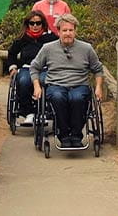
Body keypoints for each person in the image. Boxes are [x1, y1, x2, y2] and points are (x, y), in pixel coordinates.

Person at [30, 13, 103, 148]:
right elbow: (34, 67)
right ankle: (63, 134)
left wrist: (98, 87)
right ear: (58, 32)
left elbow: (98, 69)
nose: (68, 33)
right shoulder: (48, 48)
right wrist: (36, 86)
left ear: (75, 31)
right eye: (64, 30)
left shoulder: (86, 48)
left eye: (71, 30)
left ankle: (76, 135)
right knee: (58, 97)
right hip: (56, 84)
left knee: (77, 99)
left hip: (79, 84)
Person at [7, 10, 58, 126]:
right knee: (23, 81)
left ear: (43, 24)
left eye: (38, 23)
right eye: (32, 23)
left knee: (46, 81)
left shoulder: (50, 38)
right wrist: (13, 68)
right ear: (27, 24)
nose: (35, 26)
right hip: (27, 68)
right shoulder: (23, 38)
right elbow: (11, 53)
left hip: (45, 68)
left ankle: (45, 112)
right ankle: (28, 113)